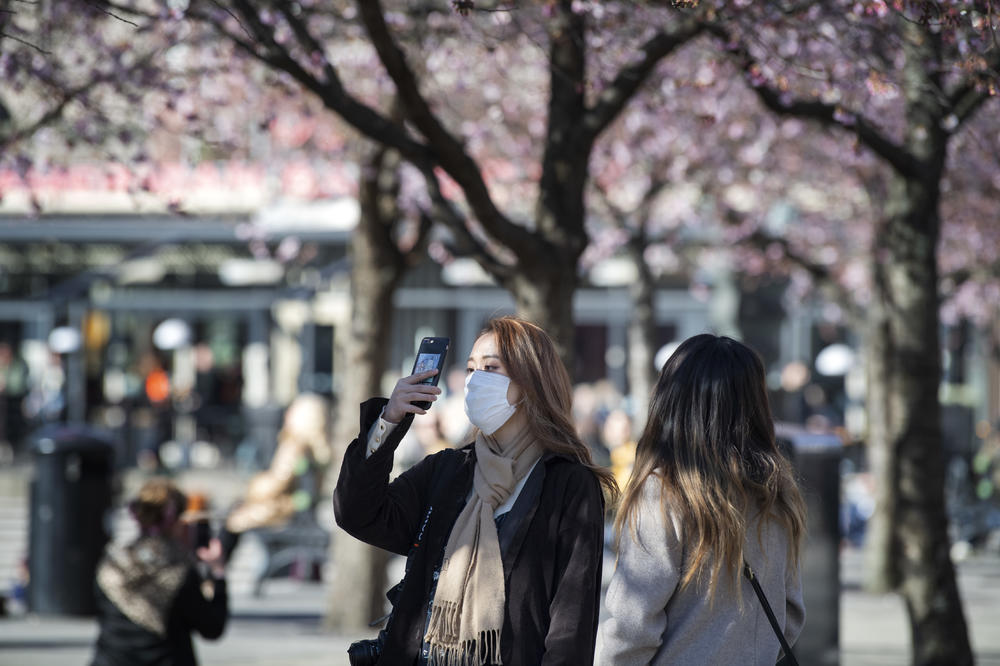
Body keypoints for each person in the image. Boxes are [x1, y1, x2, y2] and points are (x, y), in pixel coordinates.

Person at [334, 316, 616, 665]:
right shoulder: (449, 469)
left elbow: (570, 624)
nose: (474, 380)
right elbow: (358, 513)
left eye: (490, 367)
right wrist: (388, 424)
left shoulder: (570, 484)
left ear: (530, 381)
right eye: (470, 369)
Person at [597, 334, 807, 665]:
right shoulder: (776, 492)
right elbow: (790, 614)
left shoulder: (663, 492)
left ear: (670, 402)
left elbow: (633, 627)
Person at [91, 478, 228, 666]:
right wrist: (218, 574)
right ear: (176, 520)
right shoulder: (178, 573)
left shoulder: (111, 565)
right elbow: (212, 628)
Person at [221, 393, 331, 559]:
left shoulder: (294, 446)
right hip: (298, 512)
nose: (286, 415)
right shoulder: (320, 450)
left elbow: (276, 484)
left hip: (282, 512)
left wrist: (252, 486)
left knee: (232, 517)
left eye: (291, 411)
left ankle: (217, 567)